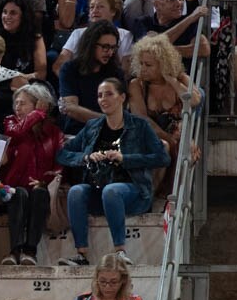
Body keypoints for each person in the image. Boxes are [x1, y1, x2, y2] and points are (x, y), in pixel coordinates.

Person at [57, 76, 169, 267]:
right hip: (99, 189)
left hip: (133, 193)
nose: (103, 99)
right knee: (76, 191)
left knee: (112, 190)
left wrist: (125, 158)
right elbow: (62, 154)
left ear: (122, 97)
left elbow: (162, 157)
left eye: (109, 94)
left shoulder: (139, 125)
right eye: (100, 95)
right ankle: (81, 254)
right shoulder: (93, 126)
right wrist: (85, 157)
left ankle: (120, 252)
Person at [0, 82, 62, 266]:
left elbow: (59, 163)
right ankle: (14, 251)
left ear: (38, 104)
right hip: (12, 187)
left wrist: (44, 180)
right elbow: (15, 132)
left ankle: (30, 251)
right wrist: (37, 114)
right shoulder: (10, 122)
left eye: (23, 103)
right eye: (16, 102)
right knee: (20, 194)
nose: (17, 107)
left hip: (40, 187)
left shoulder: (53, 132)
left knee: (39, 193)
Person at [128, 31, 201, 193]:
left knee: (186, 147)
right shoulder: (136, 84)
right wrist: (169, 138)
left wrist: (172, 80)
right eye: (141, 64)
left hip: (178, 133)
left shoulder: (180, 79)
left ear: (163, 64)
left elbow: (195, 100)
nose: (143, 69)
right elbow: (142, 119)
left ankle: (176, 199)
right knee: (168, 146)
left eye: (148, 65)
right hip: (150, 134)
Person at [57, 21, 123, 134]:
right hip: (77, 133)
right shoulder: (70, 69)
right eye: (105, 47)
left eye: (113, 48)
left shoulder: (116, 72)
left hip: (108, 133)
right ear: (91, 44)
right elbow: (72, 110)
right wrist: (108, 120)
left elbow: (119, 114)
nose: (110, 52)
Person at [53, 0, 134, 75]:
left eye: (100, 7)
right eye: (92, 7)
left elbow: (126, 70)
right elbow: (59, 65)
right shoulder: (78, 33)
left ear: (113, 11)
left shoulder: (125, 35)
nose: (94, 10)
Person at [133, 0, 209, 63]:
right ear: (157, 5)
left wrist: (162, 48)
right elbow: (148, 49)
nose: (179, 3)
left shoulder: (190, 25)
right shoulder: (143, 22)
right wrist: (189, 18)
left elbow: (204, 49)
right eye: (171, 0)